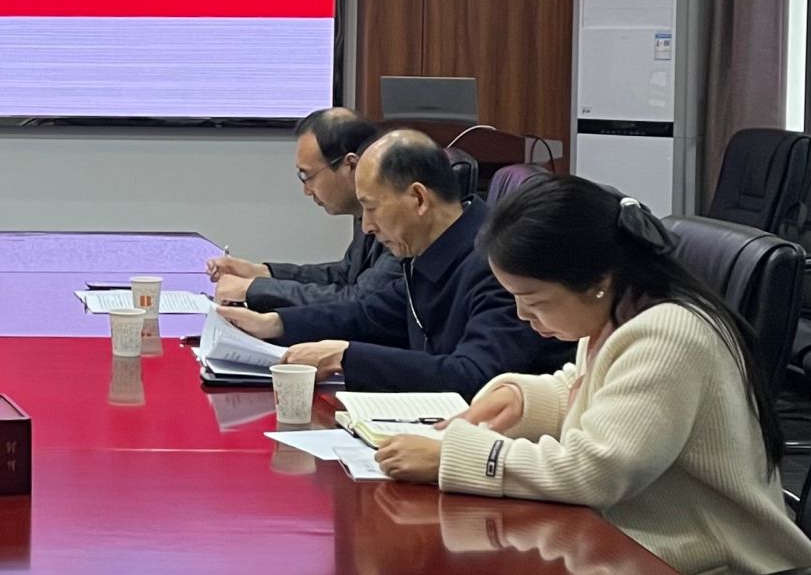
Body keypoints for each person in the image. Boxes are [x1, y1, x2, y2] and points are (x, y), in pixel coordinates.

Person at [373, 175, 811, 575]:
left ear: (598, 280)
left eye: (534, 300)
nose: (523, 315)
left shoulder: (668, 334)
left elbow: (597, 470)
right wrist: (523, 399)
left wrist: (457, 456)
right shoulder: (619, 314)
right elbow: (594, 393)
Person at [219, 130, 566, 391]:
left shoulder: (497, 262)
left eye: (372, 208)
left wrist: (345, 357)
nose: (367, 227)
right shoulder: (434, 248)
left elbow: (475, 377)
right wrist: (274, 323)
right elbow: (369, 314)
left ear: (418, 199)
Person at [208, 107, 401, 308]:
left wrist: (253, 289)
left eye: (308, 176)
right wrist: (260, 272)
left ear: (351, 165)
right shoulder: (365, 212)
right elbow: (344, 276)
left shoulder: (399, 221)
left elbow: (360, 301)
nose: (307, 190)